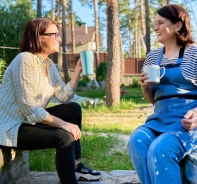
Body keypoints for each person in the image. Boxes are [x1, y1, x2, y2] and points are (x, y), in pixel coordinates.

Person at [0, 18, 101, 184]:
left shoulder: (48, 64)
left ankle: (75, 164)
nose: (59, 39)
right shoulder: (24, 60)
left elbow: (64, 96)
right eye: (54, 35)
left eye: (58, 35)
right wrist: (64, 124)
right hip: (12, 127)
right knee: (64, 137)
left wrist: (78, 70)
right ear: (39, 38)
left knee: (73, 109)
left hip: (29, 122)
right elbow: (29, 109)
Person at [127, 4, 197, 184]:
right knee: (137, 140)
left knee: (160, 149)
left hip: (186, 122)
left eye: (160, 23)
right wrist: (145, 86)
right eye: (155, 23)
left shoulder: (194, 53)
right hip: (159, 118)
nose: (155, 28)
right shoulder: (153, 57)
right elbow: (153, 99)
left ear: (178, 26)